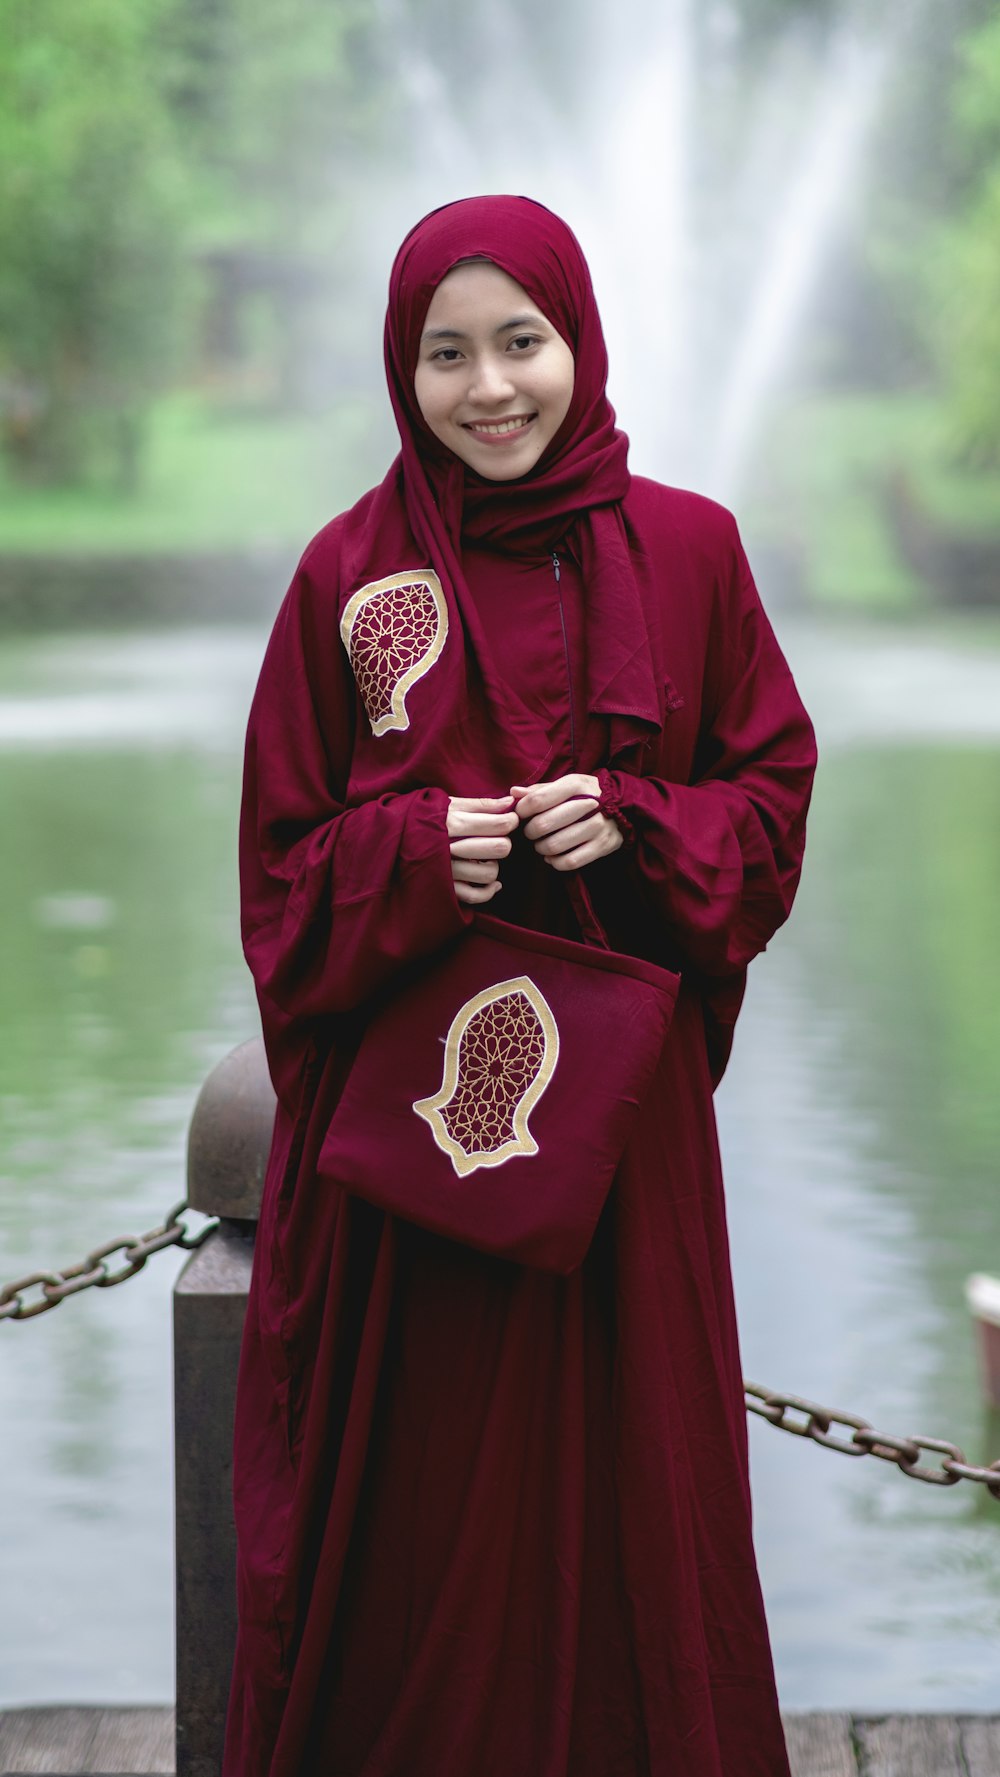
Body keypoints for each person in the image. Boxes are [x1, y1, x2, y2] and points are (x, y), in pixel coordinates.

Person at [224, 194, 817, 1777]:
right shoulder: (349, 577)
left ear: (579, 340)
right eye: (444, 354)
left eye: (521, 343)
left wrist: (636, 821)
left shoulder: (692, 550)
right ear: (401, 370)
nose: (490, 388)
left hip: (623, 1163)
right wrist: (416, 852)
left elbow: (767, 811)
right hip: (408, 1181)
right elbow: (280, 873)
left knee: (637, 1512)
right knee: (422, 1533)